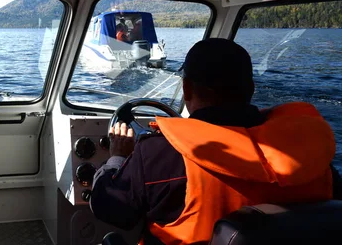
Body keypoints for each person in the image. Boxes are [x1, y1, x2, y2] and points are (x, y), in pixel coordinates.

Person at [90, 38, 342, 245]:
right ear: (251, 89)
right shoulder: (312, 157)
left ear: (187, 90)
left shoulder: (158, 154)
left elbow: (111, 209)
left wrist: (117, 158)